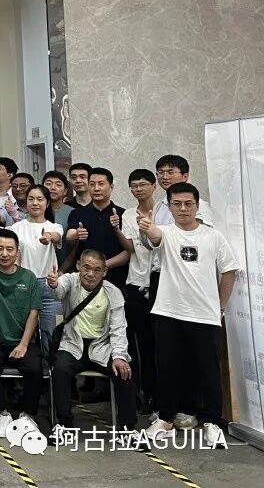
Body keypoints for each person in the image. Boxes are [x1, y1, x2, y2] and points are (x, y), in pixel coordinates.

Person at [138, 183, 239, 448]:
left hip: (204, 316)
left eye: (188, 204)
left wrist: (220, 307)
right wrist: (147, 227)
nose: (183, 208)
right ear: (169, 206)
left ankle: (212, 423)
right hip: (168, 313)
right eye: (177, 204)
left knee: (207, 371)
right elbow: (154, 237)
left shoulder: (213, 236)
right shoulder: (166, 233)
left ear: (197, 206)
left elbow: (229, 271)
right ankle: (165, 419)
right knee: (167, 369)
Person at [47, 249, 136, 441]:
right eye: (86, 268)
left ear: (104, 271)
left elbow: (118, 327)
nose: (90, 274)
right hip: (73, 344)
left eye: (97, 270)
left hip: (102, 347)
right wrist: (53, 283)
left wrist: (119, 356)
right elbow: (59, 289)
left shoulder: (113, 293)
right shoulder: (71, 280)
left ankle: (127, 430)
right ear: (78, 266)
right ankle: (65, 426)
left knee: (124, 372)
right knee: (60, 369)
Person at [0, 230, 42, 438]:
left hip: (22, 340)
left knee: (35, 368)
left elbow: (34, 313)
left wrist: (23, 344)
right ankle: (1, 414)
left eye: (9, 249)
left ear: (17, 251)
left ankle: (27, 415)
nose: (4, 253)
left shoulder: (29, 277)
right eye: (0, 249)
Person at [122, 169, 159, 414]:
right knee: (139, 343)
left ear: (154, 186)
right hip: (135, 283)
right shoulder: (127, 215)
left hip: (160, 284)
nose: (138, 189)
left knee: (160, 343)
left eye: (143, 184)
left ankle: (160, 394)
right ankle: (144, 392)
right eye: (134, 185)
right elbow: (130, 248)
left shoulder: (164, 212)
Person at [10, 185, 64, 352]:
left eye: (40, 199)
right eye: (31, 199)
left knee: (54, 332)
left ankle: (52, 365)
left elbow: (57, 237)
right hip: (23, 285)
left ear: (47, 203)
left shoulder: (54, 226)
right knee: (22, 333)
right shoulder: (16, 228)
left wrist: (48, 237)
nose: (35, 203)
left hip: (50, 286)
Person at [65, 168, 132, 287]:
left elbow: (129, 251)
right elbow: (69, 237)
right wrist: (76, 234)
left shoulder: (123, 214)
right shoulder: (77, 213)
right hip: (85, 278)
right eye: (92, 184)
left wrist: (102, 266)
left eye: (101, 184)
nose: (96, 188)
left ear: (111, 187)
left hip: (116, 278)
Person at [43, 170, 75, 265]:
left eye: (58, 184)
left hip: (67, 267)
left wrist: (62, 270)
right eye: (48, 184)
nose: (53, 188)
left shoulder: (73, 212)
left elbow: (75, 247)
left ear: (65, 191)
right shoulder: (35, 212)